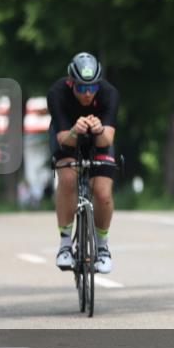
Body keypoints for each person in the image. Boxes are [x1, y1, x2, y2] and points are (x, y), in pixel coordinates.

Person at [47, 52, 119, 274]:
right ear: (71, 83)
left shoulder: (109, 94)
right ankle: (65, 245)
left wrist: (98, 130)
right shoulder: (57, 93)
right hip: (67, 138)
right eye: (81, 88)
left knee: (103, 193)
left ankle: (102, 247)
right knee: (68, 178)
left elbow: (107, 140)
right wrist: (74, 130)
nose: (87, 94)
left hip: (98, 142)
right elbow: (62, 140)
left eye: (92, 88)